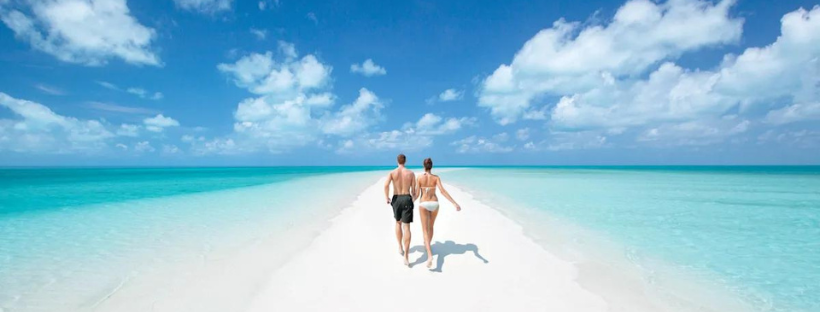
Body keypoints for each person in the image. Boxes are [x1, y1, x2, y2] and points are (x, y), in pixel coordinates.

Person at [416, 157, 461, 269]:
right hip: (435, 204)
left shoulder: (419, 178)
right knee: (431, 226)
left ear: (423, 166)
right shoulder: (436, 178)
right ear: (432, 166)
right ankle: (428, 245)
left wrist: (409, 203)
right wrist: (454, 203)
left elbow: (416, 194)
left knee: (425, 230)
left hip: (424, 203)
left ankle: (429, 255)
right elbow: (442, 191)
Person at [384, 153, 417, 266]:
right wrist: (413, 199)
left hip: (396, 198)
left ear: (397, 161)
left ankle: (400, 247)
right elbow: (415, 191)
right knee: (406, 227)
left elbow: (386, 185)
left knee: (398, 223)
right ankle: (406, 256)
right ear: (405, 161)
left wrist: (387, 197)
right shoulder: (411, 173)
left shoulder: (392, 173)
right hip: (407, 198)